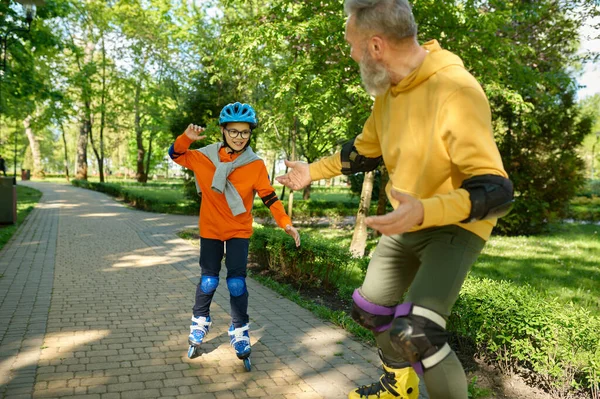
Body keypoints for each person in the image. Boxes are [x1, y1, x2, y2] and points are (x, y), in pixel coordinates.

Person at [276, 1, 513, 398]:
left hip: (454, 225)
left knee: (416, 332)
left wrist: (427, 209)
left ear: (375, 47)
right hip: (407, 222)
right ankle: (397, 386)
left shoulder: (454, 88)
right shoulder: (389, 93)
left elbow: (496, 190)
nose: (350, 54)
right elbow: (365, 150)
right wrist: (310, 171)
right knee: (370, 311)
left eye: (351, 45)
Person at [168, 102, 301, 367]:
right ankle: (200, 323)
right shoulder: (204, 157)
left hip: (239, 230)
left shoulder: (255, 164)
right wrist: (187, 138)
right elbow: (175, 154)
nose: (239, 137)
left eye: (245, 132)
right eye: (234, 131)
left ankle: (239, 330)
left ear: (250, 133)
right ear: (223, 131)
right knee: (208, 281)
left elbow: (270, 197)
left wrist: (286, 223)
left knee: (237, 283)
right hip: (211, 230)